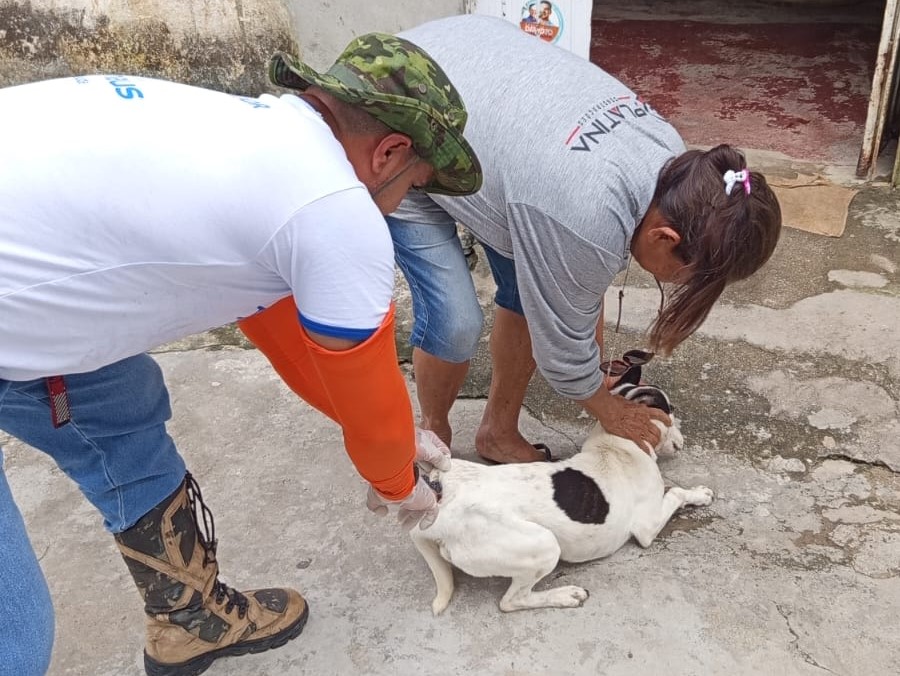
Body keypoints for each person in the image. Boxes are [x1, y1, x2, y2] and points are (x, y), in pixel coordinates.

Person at [0, 33, 479, 676]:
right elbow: (365, 395)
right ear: (389, 152)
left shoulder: (251, 138)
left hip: (25, 286)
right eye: (413, 185)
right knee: (16, 634)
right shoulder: (334, 209)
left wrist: (395, 437)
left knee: (118, 408)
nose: (401, 205)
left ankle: (190, 620)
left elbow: (296, 343)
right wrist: (399, 482)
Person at [386, 15, 782, 464]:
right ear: (664, 236)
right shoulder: (584, 213)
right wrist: (608, 407)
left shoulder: (677, 167)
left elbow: (570, 302)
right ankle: (431, 439)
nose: (678, 284)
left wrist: (590, 367)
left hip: (469, 67)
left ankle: (497, 432)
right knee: (454, 320)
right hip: (402, 110)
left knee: (525, 289)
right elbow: (564, 355)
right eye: (685, 275)